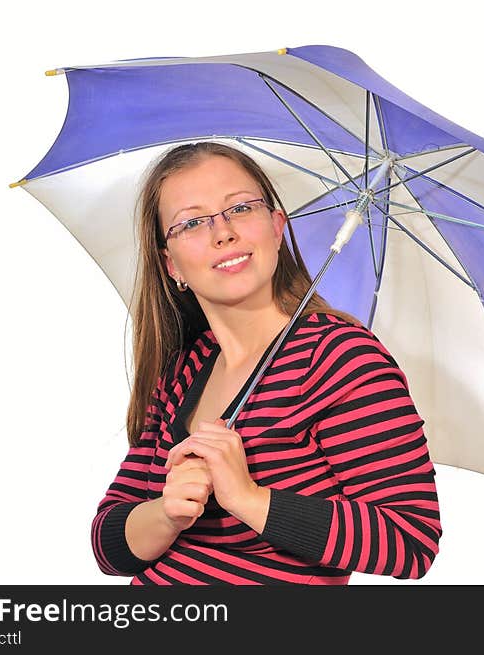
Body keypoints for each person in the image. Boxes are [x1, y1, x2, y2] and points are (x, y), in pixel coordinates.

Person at [91, 141, 442, 584]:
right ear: (170, 264)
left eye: (240, 208)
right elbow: (108, 544)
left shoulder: (339, 358)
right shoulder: (183, 370)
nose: (223, 233)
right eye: (193, 222)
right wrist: (166, 513)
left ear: (277, 227)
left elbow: (410, 541)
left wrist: (248, 498)